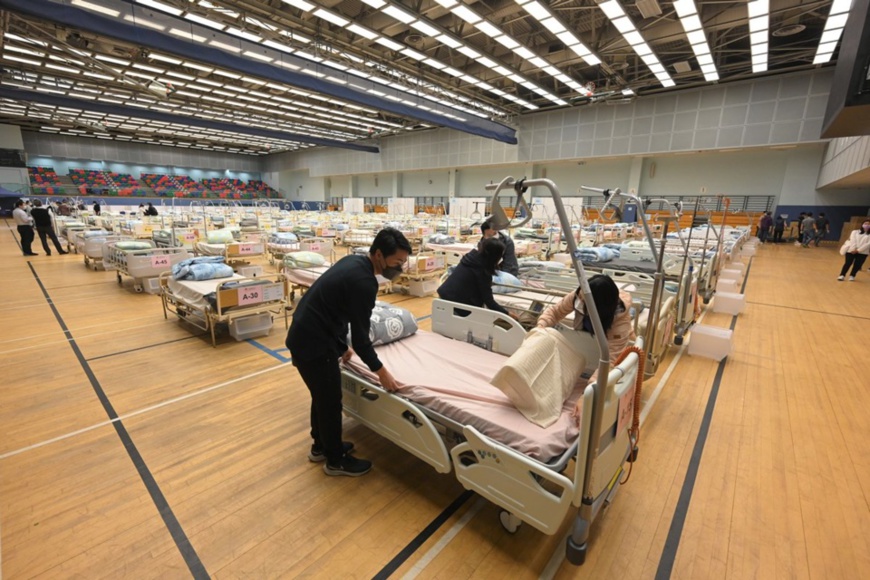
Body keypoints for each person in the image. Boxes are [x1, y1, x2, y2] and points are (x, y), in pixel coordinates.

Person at [286, 227, 412, 477]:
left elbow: (336, 310)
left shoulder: (353, 261)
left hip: (306, 333)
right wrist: (381, 372)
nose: (400, 268)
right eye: (397, 262)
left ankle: (321, 446)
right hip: (313, 343)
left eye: (403, 262)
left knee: (321, 396)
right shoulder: (364, 282)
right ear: (379, 254)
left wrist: (342, 346)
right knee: (331, 401)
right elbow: (363, 339)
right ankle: (335, 461)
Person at [536, 274, 635, 385]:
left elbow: (611, 360)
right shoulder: (579, 295)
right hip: (586, 345)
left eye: (584, 301)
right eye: (580, 297)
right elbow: (555, 312)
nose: (580, 301)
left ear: (598, 307)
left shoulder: (620, 324)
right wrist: (541, 327)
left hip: (613, 351)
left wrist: (593, 385)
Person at [437, 237, 513, 317]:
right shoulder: (483, 271)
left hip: (443, 296)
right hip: (457, 306)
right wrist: (507, 314)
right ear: (495, 256)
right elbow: (489, 301)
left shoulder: (470, 258)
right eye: (501, 255)